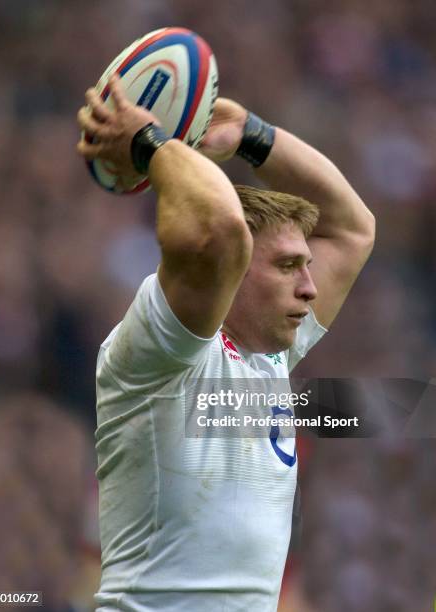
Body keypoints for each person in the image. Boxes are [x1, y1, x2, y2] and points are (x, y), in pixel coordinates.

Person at [76, 74, 375, 612]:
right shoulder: (161, 351)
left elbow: (353, 228)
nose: (310, 286)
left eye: (307, 265)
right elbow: (217, 229)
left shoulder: (269, 356)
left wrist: (252, 136)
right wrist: (150, 142)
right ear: (235, 273)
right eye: (287, 267)